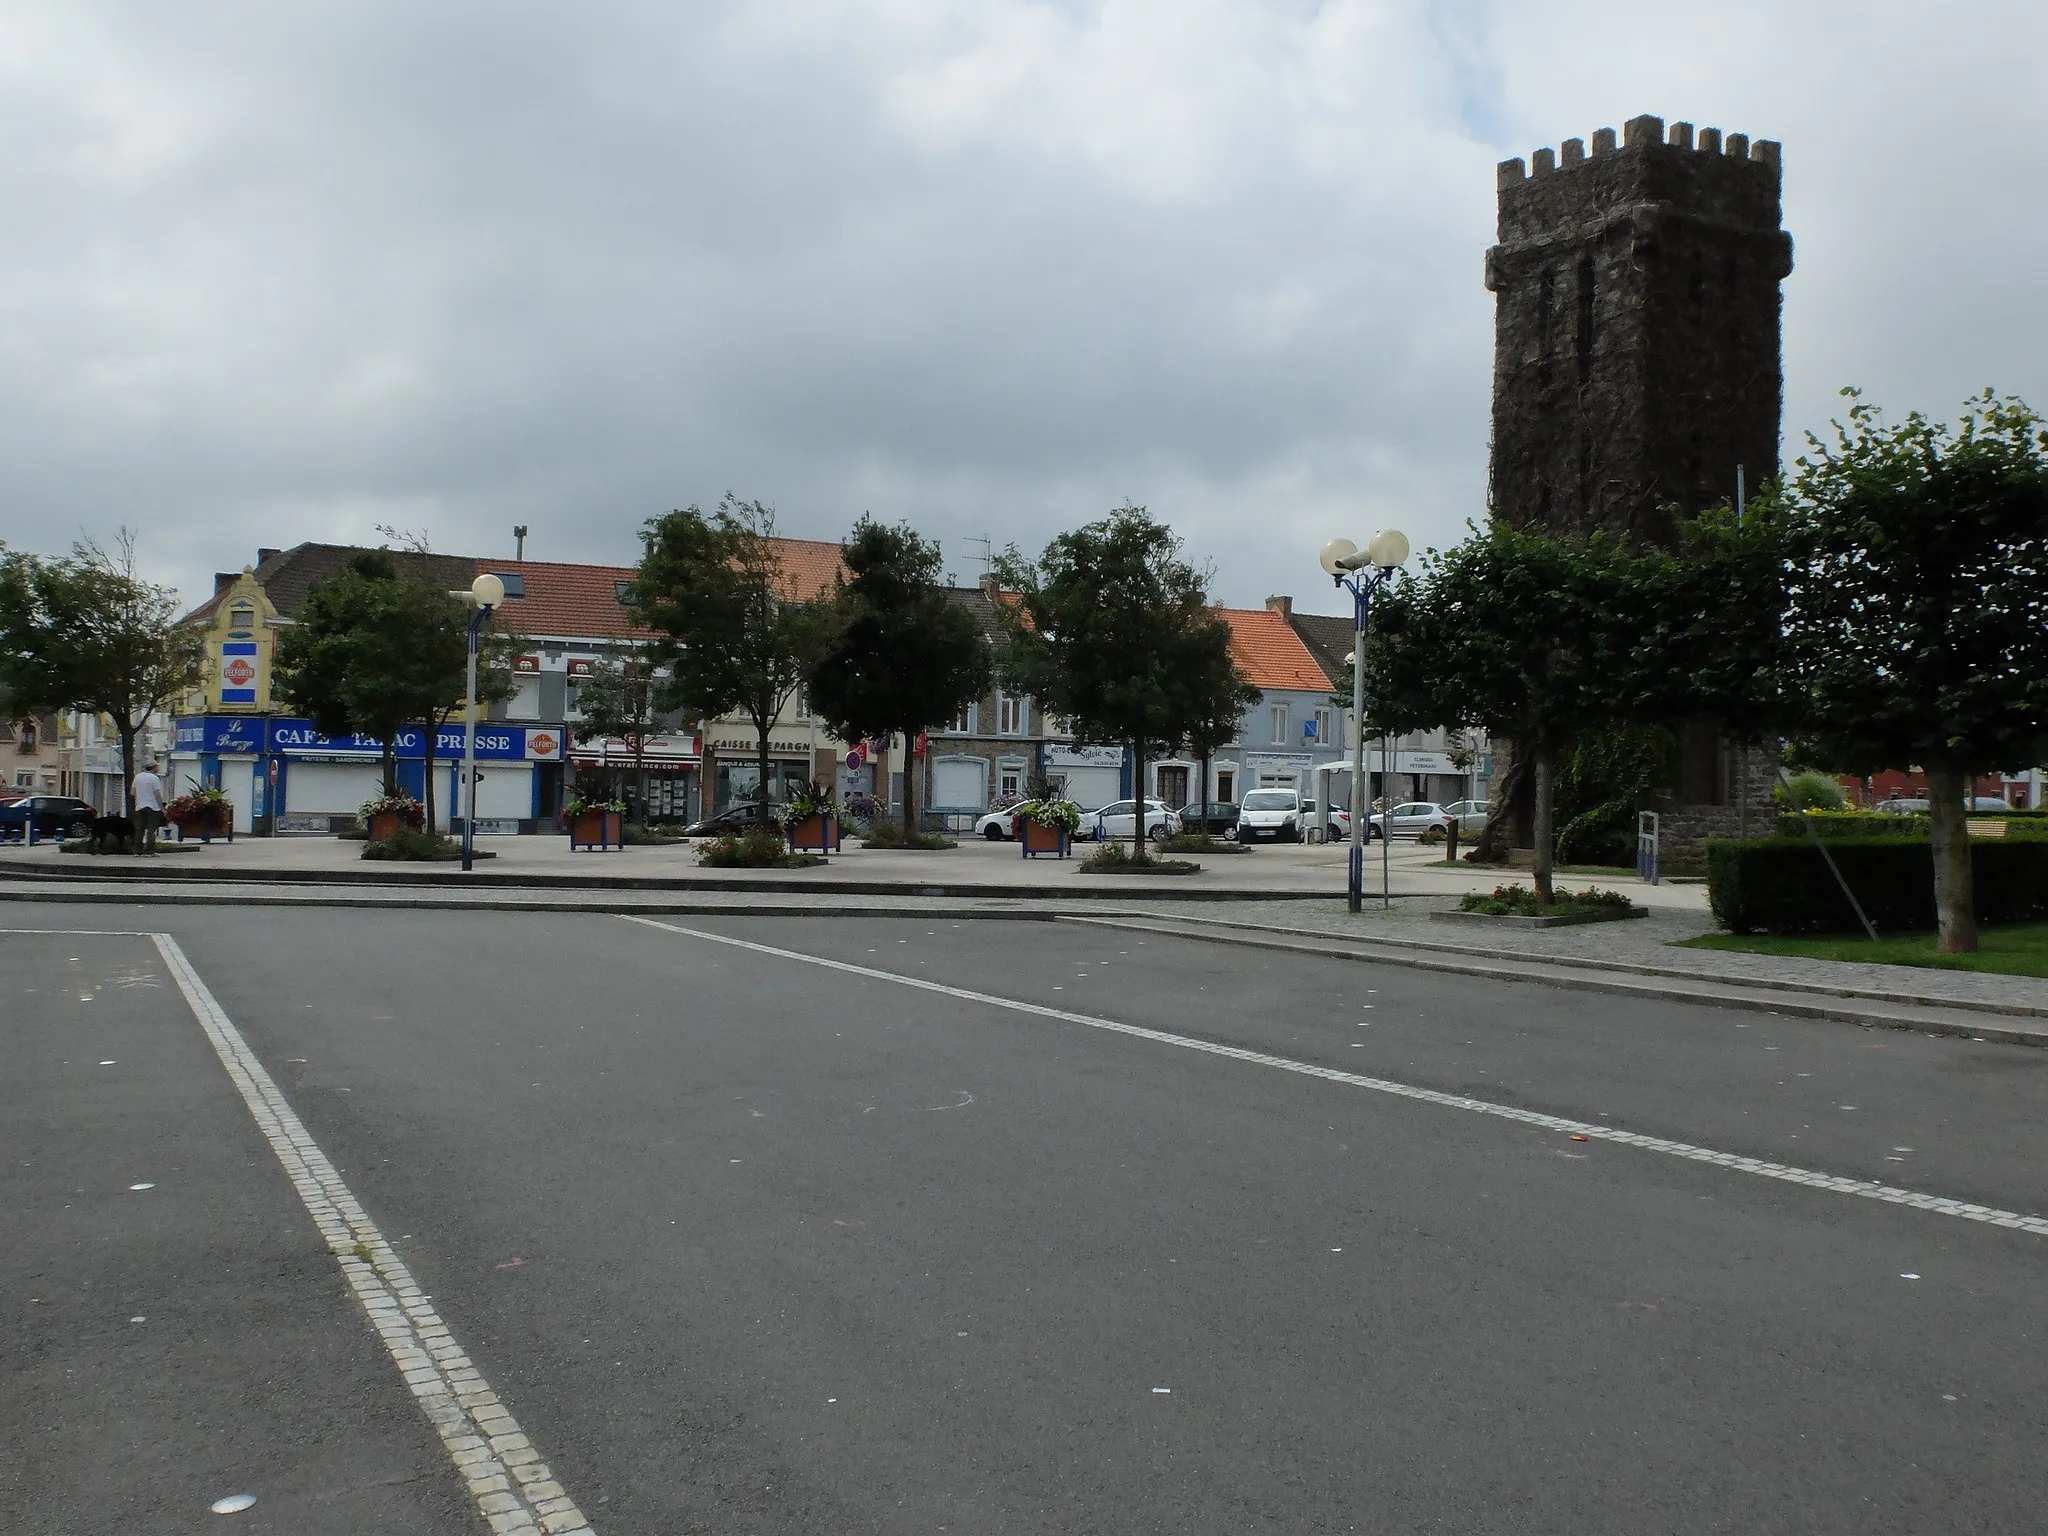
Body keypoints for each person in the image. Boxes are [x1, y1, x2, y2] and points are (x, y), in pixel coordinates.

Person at [131, 760, 167, 853]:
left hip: (139, 807)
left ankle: (137, 850)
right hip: (152, 807)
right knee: (151, 830)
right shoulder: (154, 778)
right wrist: (162, 808)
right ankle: (149, 850)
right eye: (157, 767)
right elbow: (157, 794)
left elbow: (132, 792)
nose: (158, 768)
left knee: (139, 829)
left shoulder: (137, 777)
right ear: (154, 767)